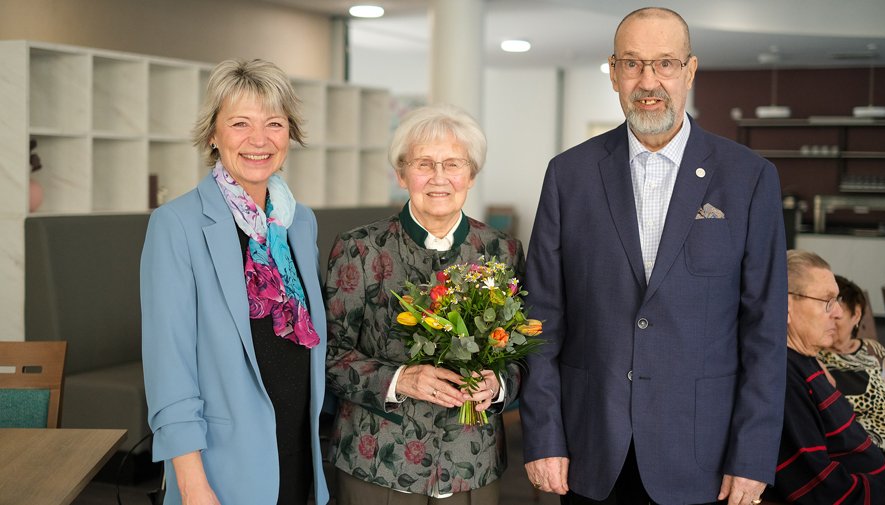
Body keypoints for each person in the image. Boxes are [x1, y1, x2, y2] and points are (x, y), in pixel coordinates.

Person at [521, 7, 788, 505]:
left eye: (665, 63)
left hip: (704, 456)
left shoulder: (748, 177)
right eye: (632, 64)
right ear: (614, 72)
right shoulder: (568, 174)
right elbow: (540, 321)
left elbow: (765, 332)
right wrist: (543, 437)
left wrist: (752, 454)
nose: (649, 80)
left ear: (689, 70)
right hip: (590, 449)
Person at [141, 59, 329, 505]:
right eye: (240, 123)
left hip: (300, 454)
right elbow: (169, 366)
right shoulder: (177, 225)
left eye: (274, 124)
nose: (259, 140)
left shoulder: (299, 223)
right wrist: (191, 484)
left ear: (290, 135)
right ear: (213, 133)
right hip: (221, 468)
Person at [324, 104, 523, 504]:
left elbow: (523, 353)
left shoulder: (503, 251)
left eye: (453, 164)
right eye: (423, 164)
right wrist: (400, 380)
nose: (439, 178)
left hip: (473, 464)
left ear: (471, 174)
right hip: (379, 464)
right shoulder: (358, 249)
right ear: (401, 173)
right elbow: (327, 356)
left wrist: (498, 385)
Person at [763, 250, 885, 502]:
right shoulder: (784, 380)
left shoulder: (806, 361)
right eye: (827, 301)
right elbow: (821, 490)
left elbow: (842, 446)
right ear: (786, 305)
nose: (837, 313)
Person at [819, 275, 885, 462]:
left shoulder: (873, 348)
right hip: (868, 451)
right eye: (827, 311)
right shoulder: (816, 357)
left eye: (838, 314)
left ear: (856, 315)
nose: (830, 319)